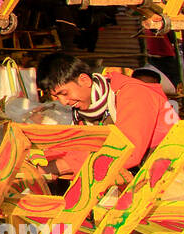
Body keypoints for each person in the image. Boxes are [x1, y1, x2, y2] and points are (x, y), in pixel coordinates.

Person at [37, 53, 175, 172]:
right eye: (56, 97)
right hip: (138, 173)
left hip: (171, 172)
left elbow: (128, 151)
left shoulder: (133, 94)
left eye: (65, 93)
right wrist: (45, 158)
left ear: (84, 80)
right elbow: (80, 145)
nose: (63, 102)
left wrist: (62, 166)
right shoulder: (83, 113)